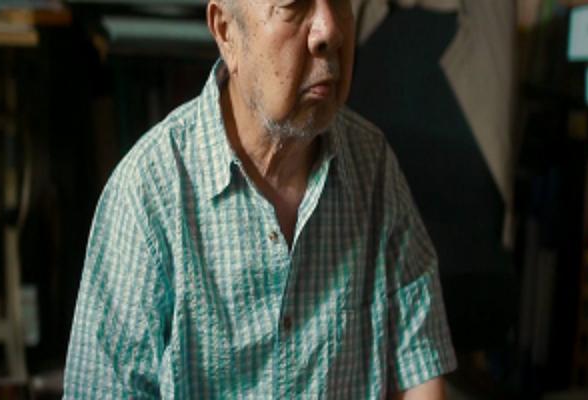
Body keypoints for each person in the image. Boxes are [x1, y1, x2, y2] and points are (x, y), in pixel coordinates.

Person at [63, 0, 457, 398]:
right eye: (294, 5)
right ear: (226, 32)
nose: (330, 31)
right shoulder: (149, 194)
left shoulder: (372, 165)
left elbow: (419, 365)